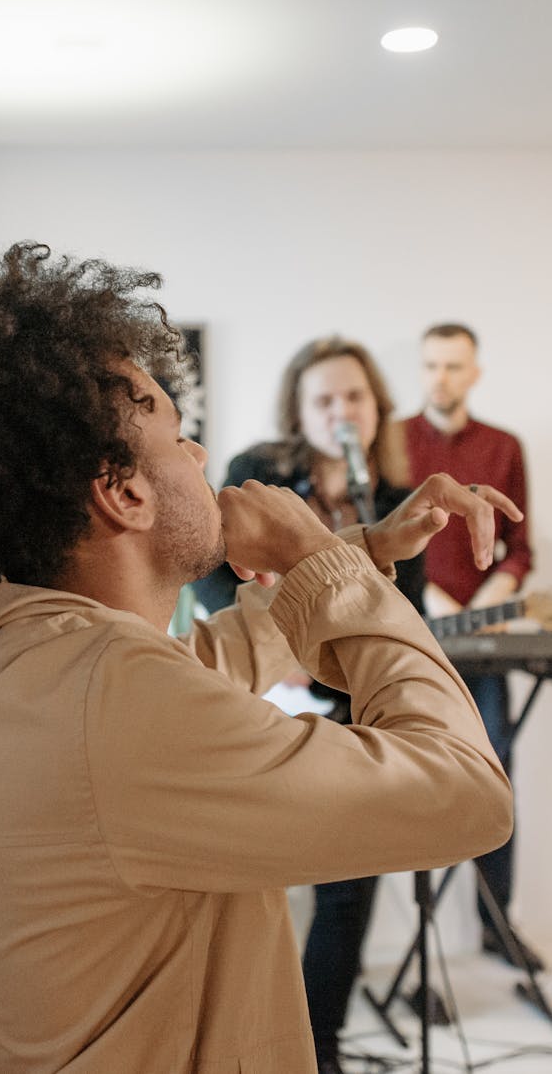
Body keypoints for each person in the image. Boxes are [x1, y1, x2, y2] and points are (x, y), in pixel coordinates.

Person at [0, 244, 515, 1074]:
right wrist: (323, 567)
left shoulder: (28, 661)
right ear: (122, 492)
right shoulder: (110, 698)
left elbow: (204, 659)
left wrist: (359, 547)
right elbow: (467, 793)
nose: (199, 458)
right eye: (178, 433)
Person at [194, 337, 424, 1073]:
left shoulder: (389, 497)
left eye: (353, 397)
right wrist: (277, 657)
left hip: (351, 711)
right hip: (263, 700)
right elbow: (207, 579)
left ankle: (317, 1049)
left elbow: (401, 613)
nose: (340, 411)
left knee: (349, 890)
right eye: (324, 398)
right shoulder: (256, 477)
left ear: (376, 406)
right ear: (298, 407)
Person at [402, 321, 542, 972]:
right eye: (432, 364)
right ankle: (420, 949)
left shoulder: (504, 446)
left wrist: (484, 606)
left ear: (474, 372)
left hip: (483, 641)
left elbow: (520, 548)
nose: (442, 376)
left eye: (454, 365)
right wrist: (430, 597)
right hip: (416, 638)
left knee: (496, 770)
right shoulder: (394, 443)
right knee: (419, 778)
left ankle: (496, 925)